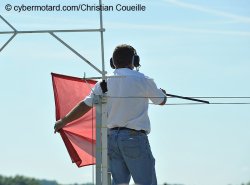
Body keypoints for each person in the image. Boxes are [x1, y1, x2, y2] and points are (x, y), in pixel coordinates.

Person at [54, 44, 167, 185]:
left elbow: (85, 105)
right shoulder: (143, 80)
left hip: (112, 139)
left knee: (119, 183)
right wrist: (163, 93)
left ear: (113, 62)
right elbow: (161, 101)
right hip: (134, 137)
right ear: (134, 61)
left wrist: (63, 121)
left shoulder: (104, 83)